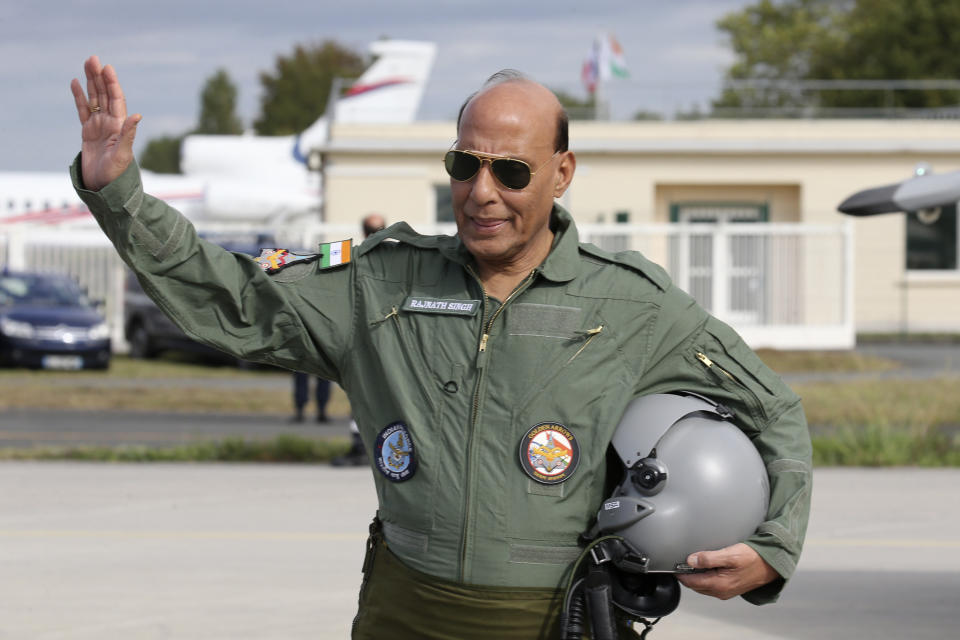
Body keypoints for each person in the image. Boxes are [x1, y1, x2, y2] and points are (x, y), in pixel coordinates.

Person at [70, 58, 812, 639]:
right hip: (404, 612)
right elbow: (225, 295)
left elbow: (771, 408)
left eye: (511, 171)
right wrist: (119, 194)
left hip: (555, 618)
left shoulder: (631, 304)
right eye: (466, 164)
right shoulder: (377, 281)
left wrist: (773, 547)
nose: (482, 191)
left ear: (562, 173)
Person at [331, 212, 386, 466]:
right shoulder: (400, 254)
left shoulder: (348, 253)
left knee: (361, 393)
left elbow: (312, 260)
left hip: (367, 337)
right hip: (380, 338)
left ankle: (363, 448)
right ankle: (368, 448)